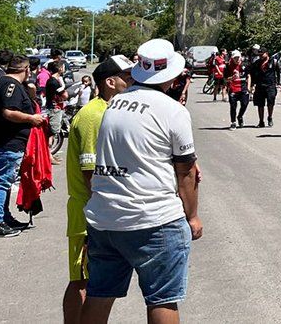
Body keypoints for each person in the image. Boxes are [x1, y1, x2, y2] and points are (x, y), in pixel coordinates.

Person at [82, 39, 201, 324]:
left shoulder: (115, 103)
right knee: (162, 299)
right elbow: (186, 172)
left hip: (105, 218)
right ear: (171, 75)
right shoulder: (172, 110)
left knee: (99, 295)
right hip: (154, 220)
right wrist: (193, 216)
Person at [63, 55, 133, 324]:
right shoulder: (94, 115)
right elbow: (90, 172)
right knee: (83, 282)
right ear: (110, 82)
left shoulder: (109, 110)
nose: (132, 80)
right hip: (89, 213)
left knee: (93, 281)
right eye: (126, 77)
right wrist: (102, 215)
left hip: (96, 211)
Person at [0, 55, 48, 237]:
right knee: (2, 182)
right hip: (9, 143)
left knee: (6, 183)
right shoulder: (11, 85)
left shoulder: (4, 82)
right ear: (26, 70)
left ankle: (4, 216)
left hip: (7, 142)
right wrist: (32, 118)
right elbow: (9, 112)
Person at [247, 48, 280, 128]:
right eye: (259, 55)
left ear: (267, 53)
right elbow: (251, 73)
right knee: (260, 104)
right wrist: (251, 85)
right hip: (260, 85)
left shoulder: (273, 62)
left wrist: (278, 83)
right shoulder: (257, 63)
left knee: (270, 102)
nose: (261, 56)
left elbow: (278, 73)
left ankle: (270, 117)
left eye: (262, 54)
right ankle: (261, 121)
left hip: (270, 85)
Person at [224, 51, 248, 130]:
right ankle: (233, 122)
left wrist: (249, 87)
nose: (237, 59)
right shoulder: (228, 66)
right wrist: (232, 78)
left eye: (238, 57)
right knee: (233, 106)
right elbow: (225, 79)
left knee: (244, 104)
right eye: (235, 58)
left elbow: (248, 76)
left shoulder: (245, 65)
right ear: (232, 58)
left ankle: (240, 116)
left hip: (243, 88)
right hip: (233, 88)